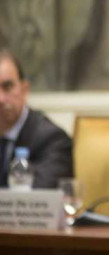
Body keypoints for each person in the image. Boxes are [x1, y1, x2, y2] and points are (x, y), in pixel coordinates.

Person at [0, 43, 73, 188]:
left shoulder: (53, 140)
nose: (1, 99)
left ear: (24, 90)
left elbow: (37, 202)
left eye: (7, 87)